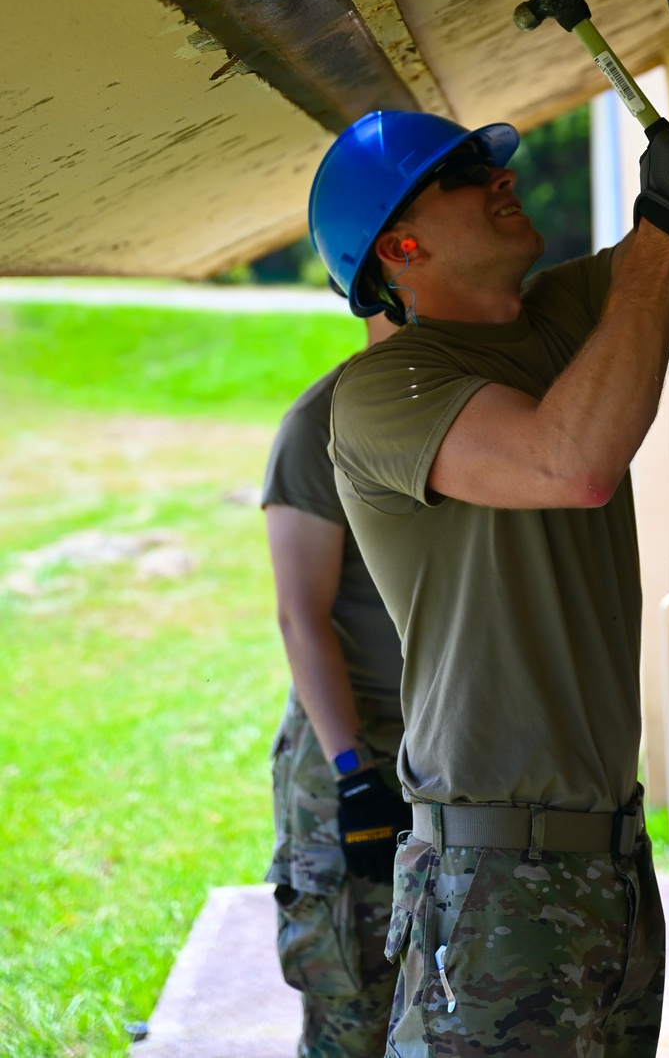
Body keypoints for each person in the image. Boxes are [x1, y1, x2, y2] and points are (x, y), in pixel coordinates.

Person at [308, 0, 669, 1058]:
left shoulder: (557, 315)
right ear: (399, 249)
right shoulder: (381, 397)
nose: (502, 172)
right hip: (492, 887)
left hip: (604, 864)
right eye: (467, 175)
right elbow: (570, 462)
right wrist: (661, 234)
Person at [263, 313, 411, 1058]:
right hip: (354, 754)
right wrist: (355, 775)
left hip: (446, 751)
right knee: (357, 1006)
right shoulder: (317, 424)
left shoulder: (471, 407)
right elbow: (300, 615)